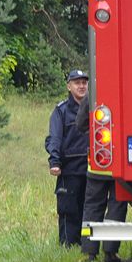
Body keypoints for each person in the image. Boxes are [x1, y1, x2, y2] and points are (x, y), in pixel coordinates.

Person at [76, 89, 128, 262]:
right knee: (117, 205)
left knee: (92, 206)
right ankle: (110, 252)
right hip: (120, 164)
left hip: (99, 162)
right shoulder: (126, 89)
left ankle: (89, 252)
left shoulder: (94, 93)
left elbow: (81, 124)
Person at [45, 70, 89, 247]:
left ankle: (88, 246)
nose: (81, 86)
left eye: (84, 83)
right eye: (77, 83)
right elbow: (54, 138)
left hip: (90, 169)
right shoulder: (61, 111)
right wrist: (54, 161)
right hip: (69, 170)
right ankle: (68, 247)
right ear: (69, 86)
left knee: (88, 210)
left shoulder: (95, 108)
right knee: (68, 209)